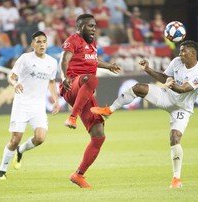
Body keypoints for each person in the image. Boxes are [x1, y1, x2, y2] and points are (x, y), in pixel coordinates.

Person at [91, 40, 198, 188]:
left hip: (182, 109)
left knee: (175, 138)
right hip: (167, 96)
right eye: (180, 50)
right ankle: (109, 110)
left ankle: (176, 179)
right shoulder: (177, 62)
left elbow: (183, 89)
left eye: (183, 51)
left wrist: (172, 85)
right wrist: (148, 70)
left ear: (193, 53)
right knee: (138, 88)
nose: (180, 53)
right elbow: (165, 78)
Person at [59, 14, 121, 188]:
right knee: (92, 80)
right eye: (89, 26)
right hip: (72, 85)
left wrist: (108, 65)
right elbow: (64, 59)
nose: (93, 29)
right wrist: (64, 77)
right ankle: (72, 117)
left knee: (99, 135)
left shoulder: (92, 43)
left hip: (85, 91)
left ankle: (78, 175)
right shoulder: (73, 40)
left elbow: (92, 60)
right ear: (79, 28)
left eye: (94, 26)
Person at [0, 31, 60, 180]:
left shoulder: (52, 62)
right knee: (15, 139)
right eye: (38, 41)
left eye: (44, 41)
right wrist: (15, 83)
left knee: (40, 138)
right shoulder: (25, 58)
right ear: (33, 44)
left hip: (38, 106)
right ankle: (2, 171)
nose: (42, 44)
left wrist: (56, 99)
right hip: (22, 104)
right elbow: (11, 76)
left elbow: (51, 82)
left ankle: (20, 151)